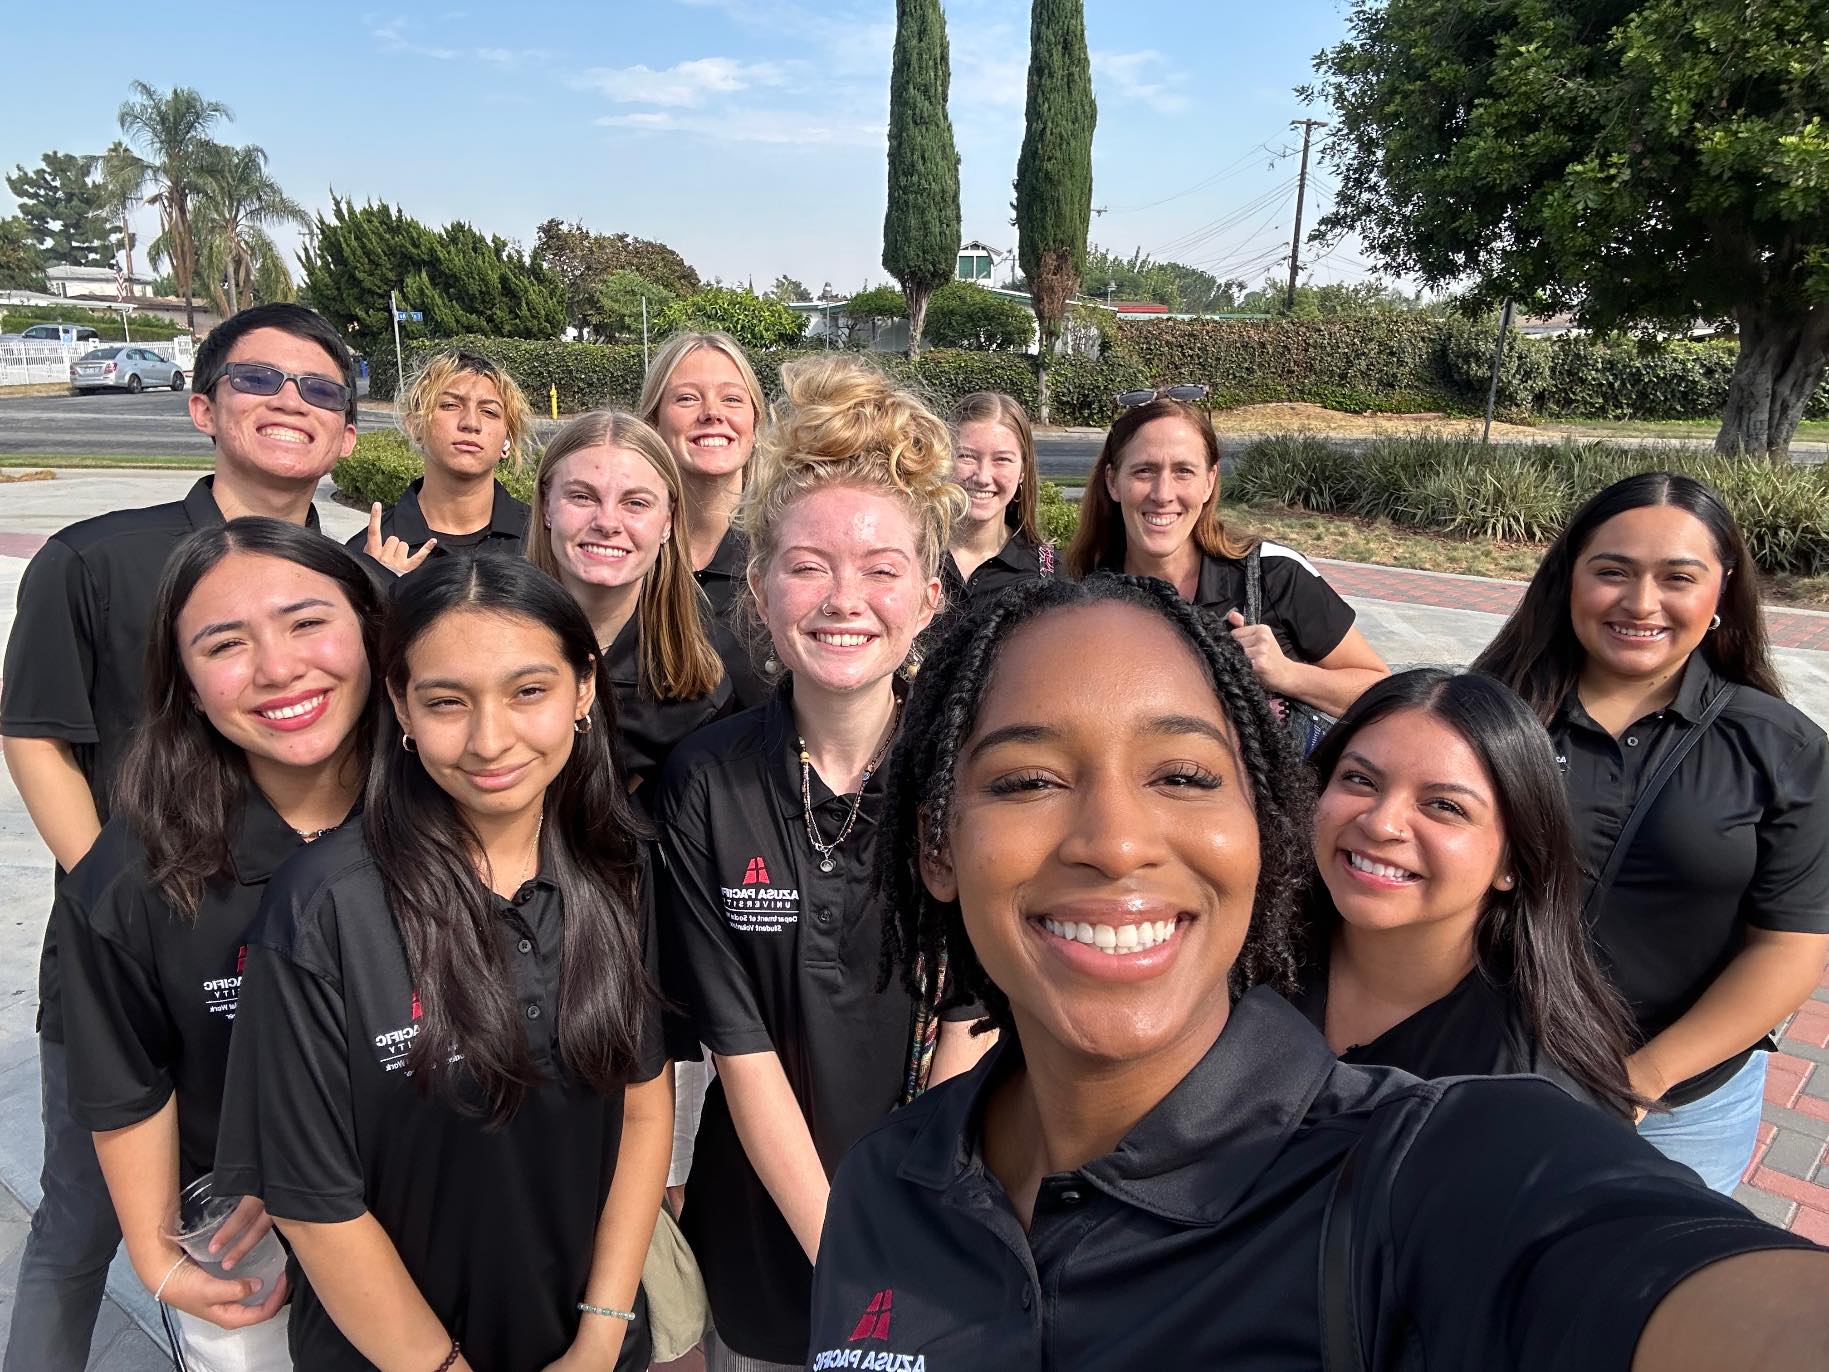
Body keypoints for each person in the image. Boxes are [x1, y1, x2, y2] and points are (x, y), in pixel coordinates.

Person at [805, 573, 1827, 1371]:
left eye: (1182, 776)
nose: (1113, 842)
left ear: (1259, 830)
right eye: (1027, 779)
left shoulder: (1426, 1167)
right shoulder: (884, 1185)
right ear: (936, 845)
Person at [0, 300, 358, 1372]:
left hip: (312, 962)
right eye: (260, 379)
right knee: (90, 1214)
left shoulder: (355, 591)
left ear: (347, 433)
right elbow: (35, 737)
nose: (292, 400)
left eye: (323, 389)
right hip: (142, 963)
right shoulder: (98, 558)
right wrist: (130, 902)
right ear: (202, 404)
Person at [214, 556, 671, 1371]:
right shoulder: (325, 909)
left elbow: (640, 1106)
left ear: (583, 689)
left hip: (586, 1340)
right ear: (401, 706)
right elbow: (316, 1204)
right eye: (446, 702)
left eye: (527, 691)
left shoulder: (618, 872)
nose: (489, 740)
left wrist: (601, 1333)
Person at [654, 355, 989, 1371]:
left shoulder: (967, 780)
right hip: (761, 1226)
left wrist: (901, 1227)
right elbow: (739, 1050)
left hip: (932, 1208)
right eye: (807, 566)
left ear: (928, 597)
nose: (844, 599)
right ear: (759, 588)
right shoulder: (706, 782)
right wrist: (843, 1247)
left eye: (881, 568)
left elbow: (969, 1022)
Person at [58, 519, 377, 1369]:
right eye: (225, 644)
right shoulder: (134, 878)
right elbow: (128, 1085)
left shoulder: (450, 811)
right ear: (188, 687)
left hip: (447, 1225)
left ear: (372, 631)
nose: (277, 668)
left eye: (308, 622)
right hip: (259, 1268)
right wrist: (160, 1256)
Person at [1474, 472, 1829, 1192]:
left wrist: (1640, 1081)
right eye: (1612, 572)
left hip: (1678, 1108)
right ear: (1568, 578)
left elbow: (1788, 948)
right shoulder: (1485, 716)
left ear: (1720, 591)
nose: (1640, 603)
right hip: (1477, 1069)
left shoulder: (1780, 748)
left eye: (1677, 577)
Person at [1294, 667, 1640, 1117]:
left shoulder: (1534, 1091)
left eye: (1444, 806)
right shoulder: (1237, 955)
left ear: (1512, 862)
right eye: (1360, 780)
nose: (1381, 823)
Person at [1065, 392, 1387, 720]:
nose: (1163, 494)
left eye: (1183, 471)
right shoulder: (1080, 594)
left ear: (1209, 482)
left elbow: (1381, 692)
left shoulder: (1273, 574)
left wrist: (1288, 675)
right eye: (1144, 471)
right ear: (1113, 482)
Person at [526, 409, 732, 789]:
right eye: (582, 496)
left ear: (668, 521)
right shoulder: (481, 641)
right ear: (545, 506)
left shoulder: (705, 694)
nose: (607, 522)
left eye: (635, 503)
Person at [638, 329, 770, 706]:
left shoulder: (785, 554)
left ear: (755, 423)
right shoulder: (623, 554)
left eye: (731, 398)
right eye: (687, 398)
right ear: (652, 423)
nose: (712, 413)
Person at [350, 348, 534, 572]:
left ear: (509, 440)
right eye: (450, 405)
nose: (471, 422)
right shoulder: (366, 554)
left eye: (489, 411)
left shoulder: (543, 540)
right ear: (415, 426)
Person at [940, 391, 1053, 615]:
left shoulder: (1049, 574)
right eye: (966, 456)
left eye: (1002, 459)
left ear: (1023, 470)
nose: (982, 477)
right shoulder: (910, 559)